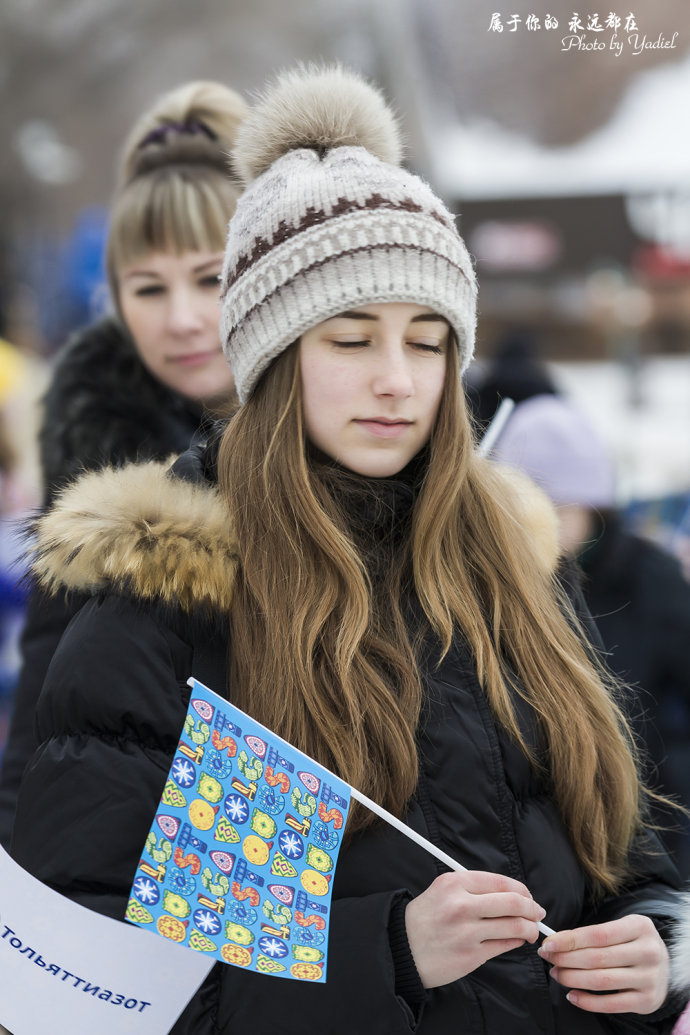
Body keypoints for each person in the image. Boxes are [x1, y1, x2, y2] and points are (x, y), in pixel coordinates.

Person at [10, 66, 690, 1034]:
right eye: (350, 338)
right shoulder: (167, 606)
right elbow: (90, 982)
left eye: (426, 341)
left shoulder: (511, 565)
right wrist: (388, 954)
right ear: (275, 360)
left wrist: (658, 939)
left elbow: (626, 847)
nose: (396, 381)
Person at [0, 80, 246, 844]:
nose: (180, 318)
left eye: (210, 277)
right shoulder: (96, 490)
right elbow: (40, 757)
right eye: (146, 286)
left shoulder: (376, 442)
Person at [492, 393, 690, 879]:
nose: (550, 524)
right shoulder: (497, 586)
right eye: (533, 508)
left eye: (564, 507)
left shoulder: (650, 578)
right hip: (547, 827)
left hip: (651, 811)